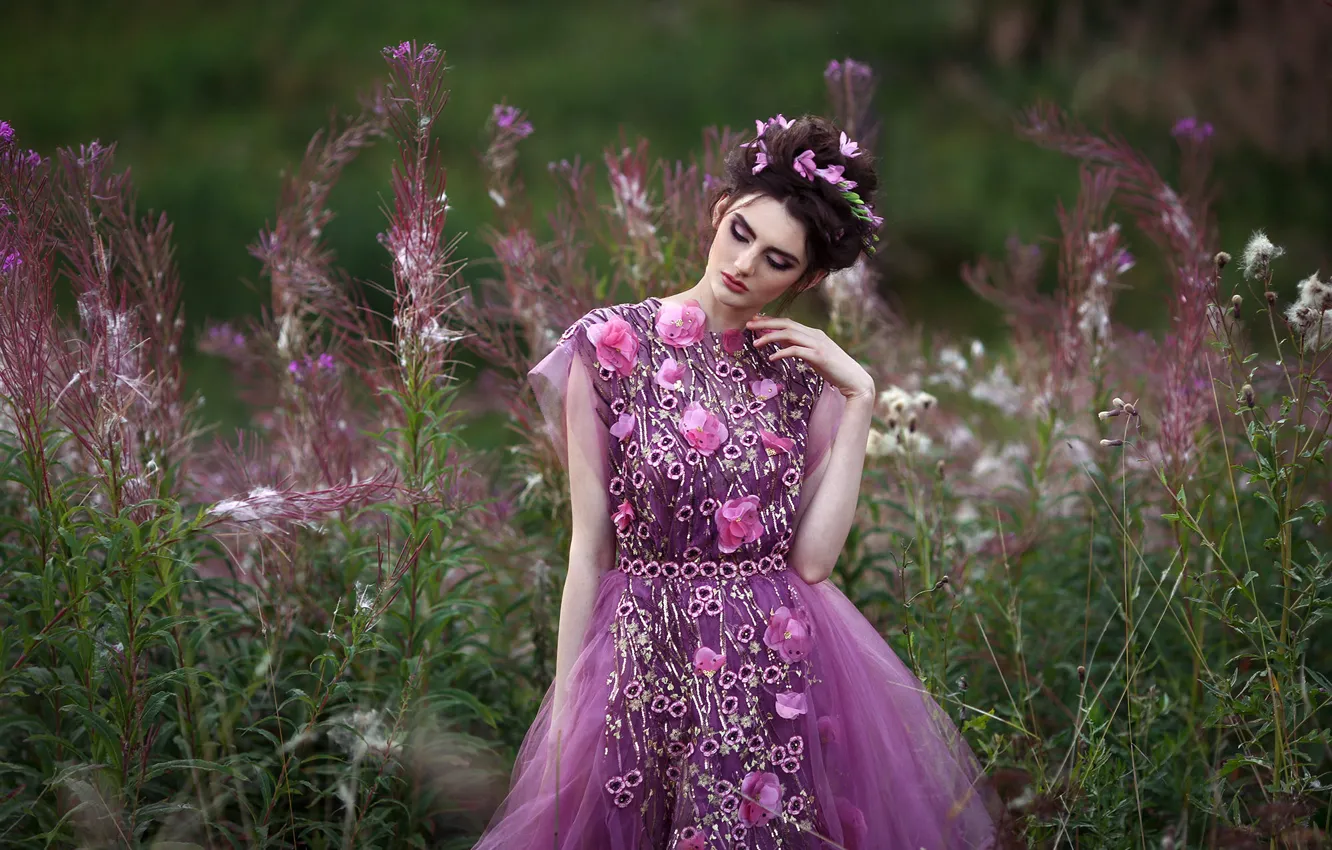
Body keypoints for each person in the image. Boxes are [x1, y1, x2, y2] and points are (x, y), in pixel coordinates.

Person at [474, 114, 998, 849]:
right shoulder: (609, 346)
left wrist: (860, 397)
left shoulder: (800, 379)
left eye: (777, 260)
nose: (745, 265)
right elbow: (588, 548)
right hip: (641, 651)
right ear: (720, 212)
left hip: (763, 665)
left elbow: (812, 562)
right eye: (741, 233)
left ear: (806, 279)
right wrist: (564, 714)